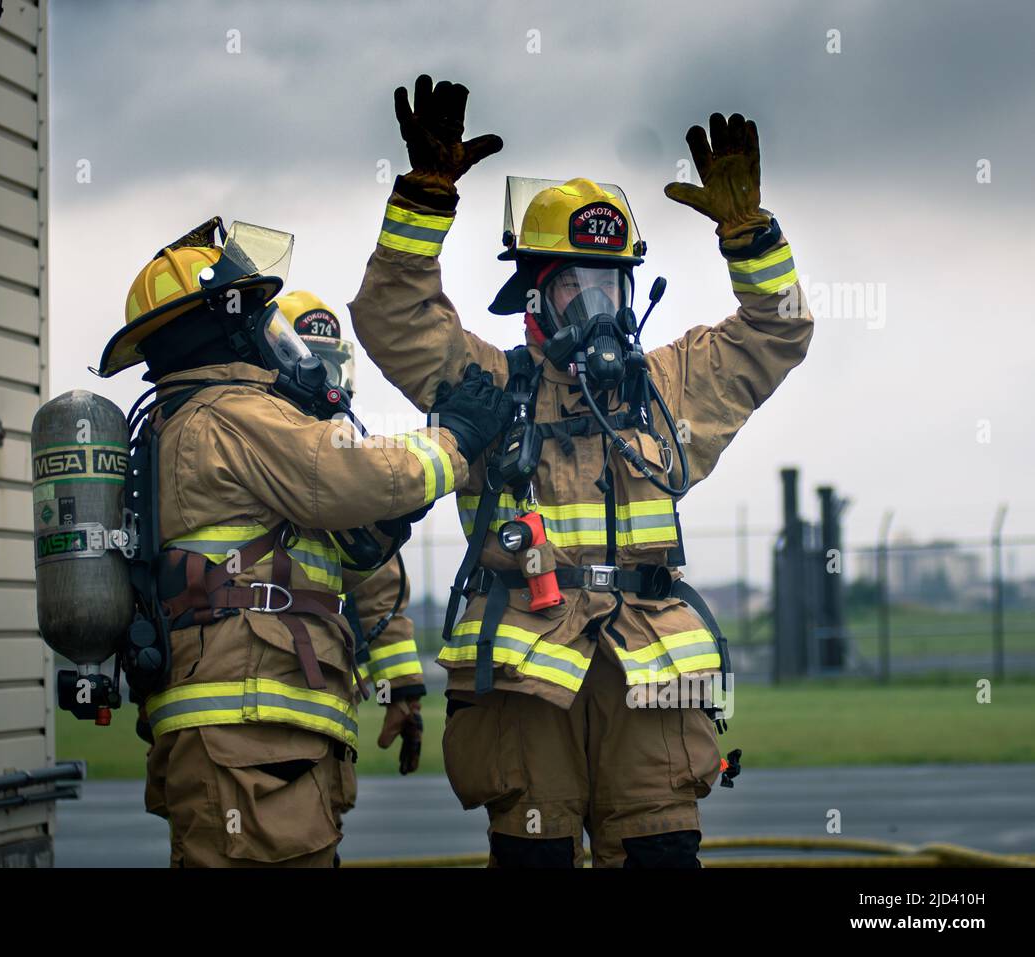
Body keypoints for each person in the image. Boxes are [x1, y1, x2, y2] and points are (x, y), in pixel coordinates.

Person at [348, 76, 813, 867]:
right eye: (575, 285)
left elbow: (778, 329)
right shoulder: (489, 387)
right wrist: (423, 202)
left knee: (662, 854)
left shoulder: (670, 387)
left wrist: (750, 234)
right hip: (529, 692)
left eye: (611, 284)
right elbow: (394, 319)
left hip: (649, 684)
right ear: (535, 298)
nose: (598, 305)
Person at [96, 217, 507, 866]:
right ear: (220, 325)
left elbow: (355, 553)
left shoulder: (189, 420)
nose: (269, 329)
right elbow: (354, 475)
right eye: (257, 313)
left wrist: (398, 679)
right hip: (249, 733)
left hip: (252, 732)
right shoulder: (232, 413)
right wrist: (456, 437)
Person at [278, 290, 426, 776]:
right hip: (258, 674)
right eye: (312, 364)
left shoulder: (343, 453)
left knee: (323, 817)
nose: (327, 382)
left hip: (325, 681)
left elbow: (379, 586)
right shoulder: (260, 440)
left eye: (333, 365)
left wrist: (402, 689)